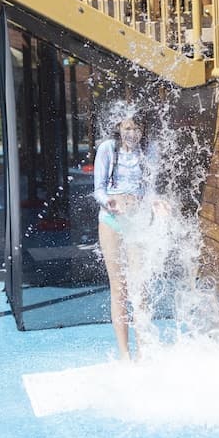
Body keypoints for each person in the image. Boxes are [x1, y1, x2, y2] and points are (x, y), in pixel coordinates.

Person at [93, 108, 159, 360]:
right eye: (128, 128)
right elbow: (99, 189)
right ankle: (125, 353)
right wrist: (109, 201)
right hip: (111, 221)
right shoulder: (108, 149)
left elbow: (151, 188)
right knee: (119, 288)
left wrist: (155, 202)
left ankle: (143, 351)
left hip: (137, 221)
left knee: (139, 287)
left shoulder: (148, 150)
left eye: (137, 128)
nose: (132, 133)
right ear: (119, 128)